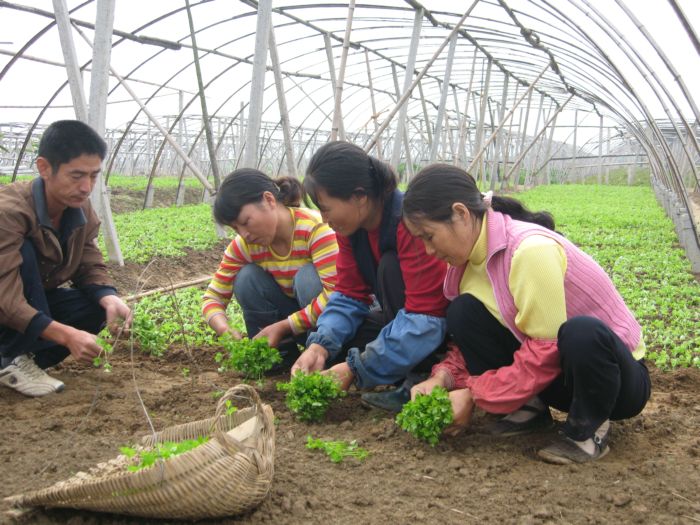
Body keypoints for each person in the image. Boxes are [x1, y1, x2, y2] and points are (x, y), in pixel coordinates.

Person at [403, 164, 651, 464]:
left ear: (461, 213)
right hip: (556, 375)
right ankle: (528, 409)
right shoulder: (467, 263)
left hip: (612, 381)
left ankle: (587, 430)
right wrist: (443, 378)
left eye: (429, 236)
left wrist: (473, 394)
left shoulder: (529, 250)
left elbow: (547, 349)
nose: (428, 250)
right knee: (463, 312)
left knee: (582, 332)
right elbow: (487, 340)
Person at [291, 141, 449, 410]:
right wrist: (320, 346)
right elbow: (348, 295)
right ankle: (391, 363)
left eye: (326, 208)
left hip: (436, 327)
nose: (324, 220)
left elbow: (426, 317)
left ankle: (422, 374)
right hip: (402, 318)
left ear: (359, 196)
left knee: (389, 266)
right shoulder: (351, 230)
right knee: (332, 340)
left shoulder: (408, 223)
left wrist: (355, 368)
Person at [0, 120, 132, 397]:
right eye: (76, 176)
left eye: (93, 176)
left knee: (97, 307)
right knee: (25, 251)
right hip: (6, 303)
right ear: (44, 168)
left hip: (29, 304)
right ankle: (10, 358)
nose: (86, 187)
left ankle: (23, 363)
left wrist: (108, 296)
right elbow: (6, 300)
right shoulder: (9, 212)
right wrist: (68, 335)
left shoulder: (78, 207)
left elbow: (87, 259)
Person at [201, 169, 338, 369]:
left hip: (331, 327)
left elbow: (336, 295)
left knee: (307, 277)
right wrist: (224, 330)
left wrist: (283, 326)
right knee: (246, 278)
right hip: (292, 326)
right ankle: (278, 356)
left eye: (246, 222)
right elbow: (213, 298)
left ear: (269, 200)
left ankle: (325, 356)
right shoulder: (245, 245)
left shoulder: (316, 229)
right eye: (236, 228)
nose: (244, 234)